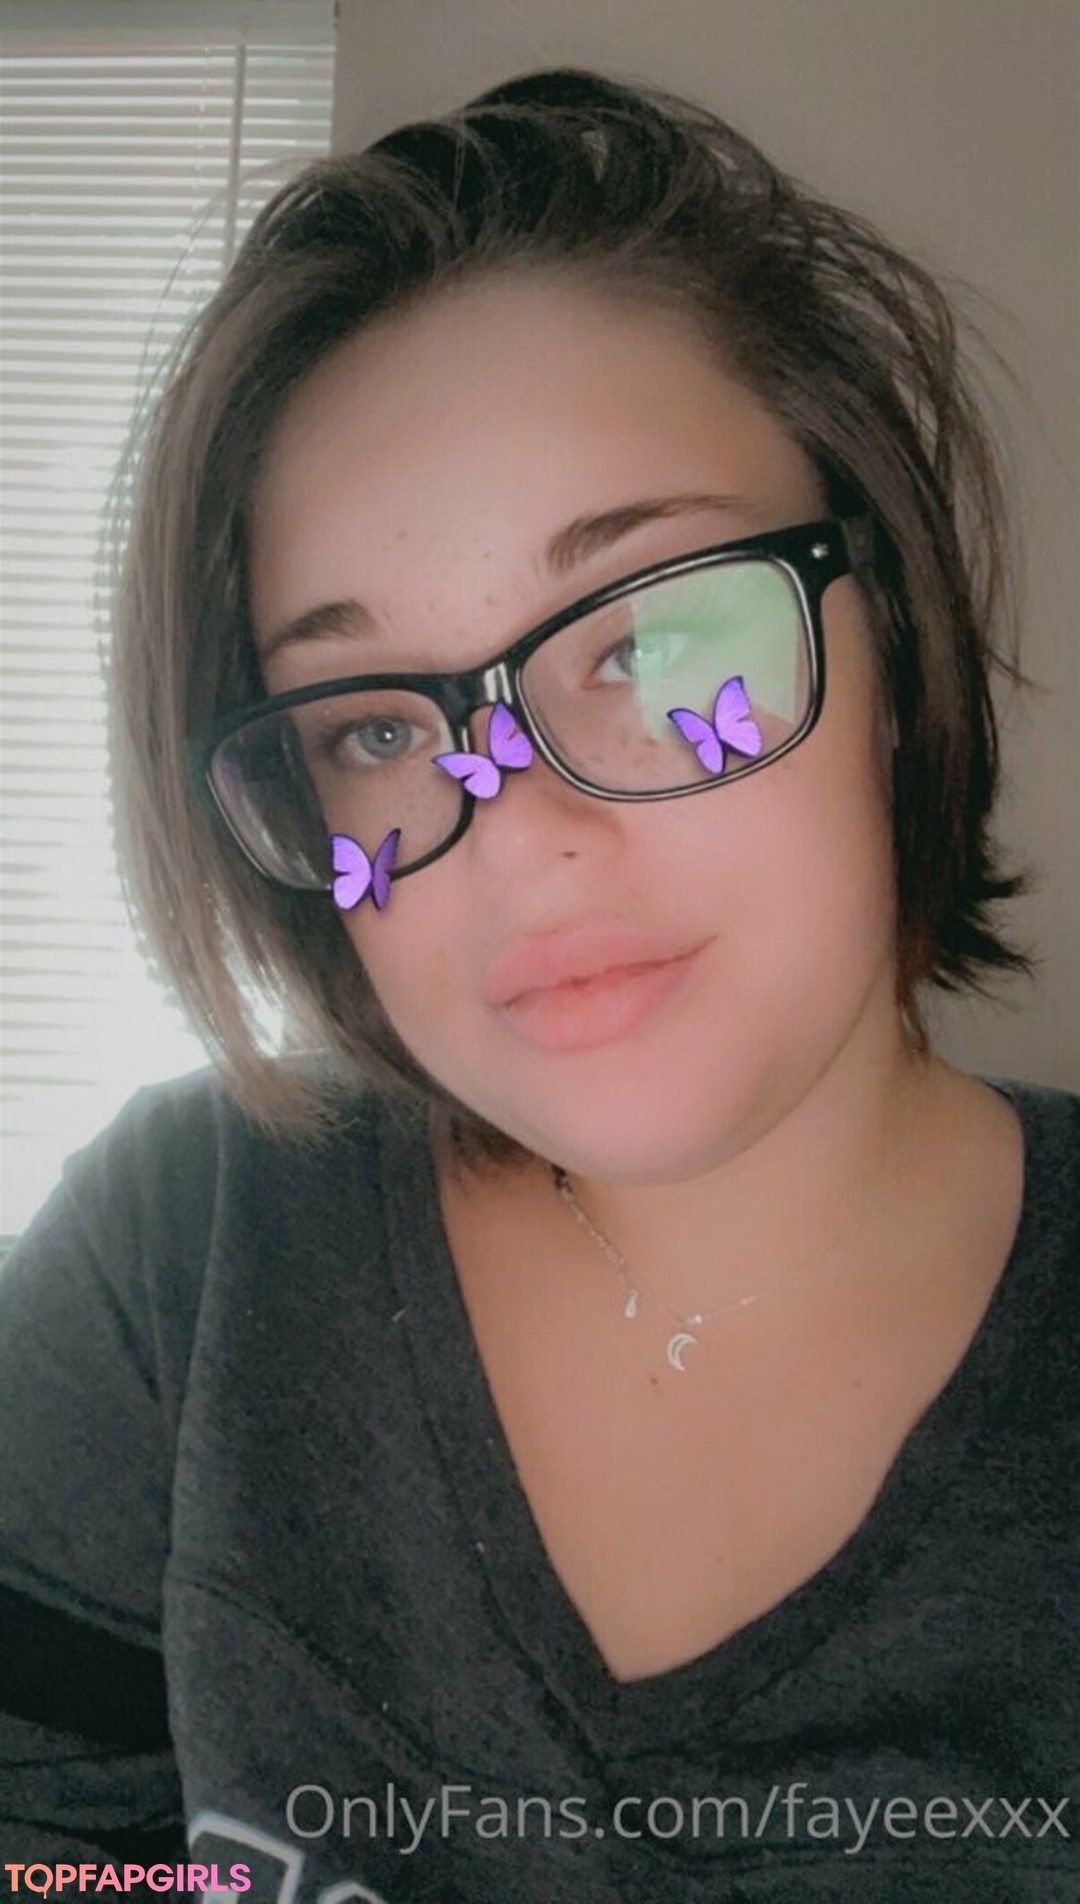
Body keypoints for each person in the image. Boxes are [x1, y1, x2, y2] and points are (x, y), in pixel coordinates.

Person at [0, 66, 1076, 1904]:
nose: (519, 839)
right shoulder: (187, 1250)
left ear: (890, 638)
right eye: (371, 726)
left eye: (651, 638)